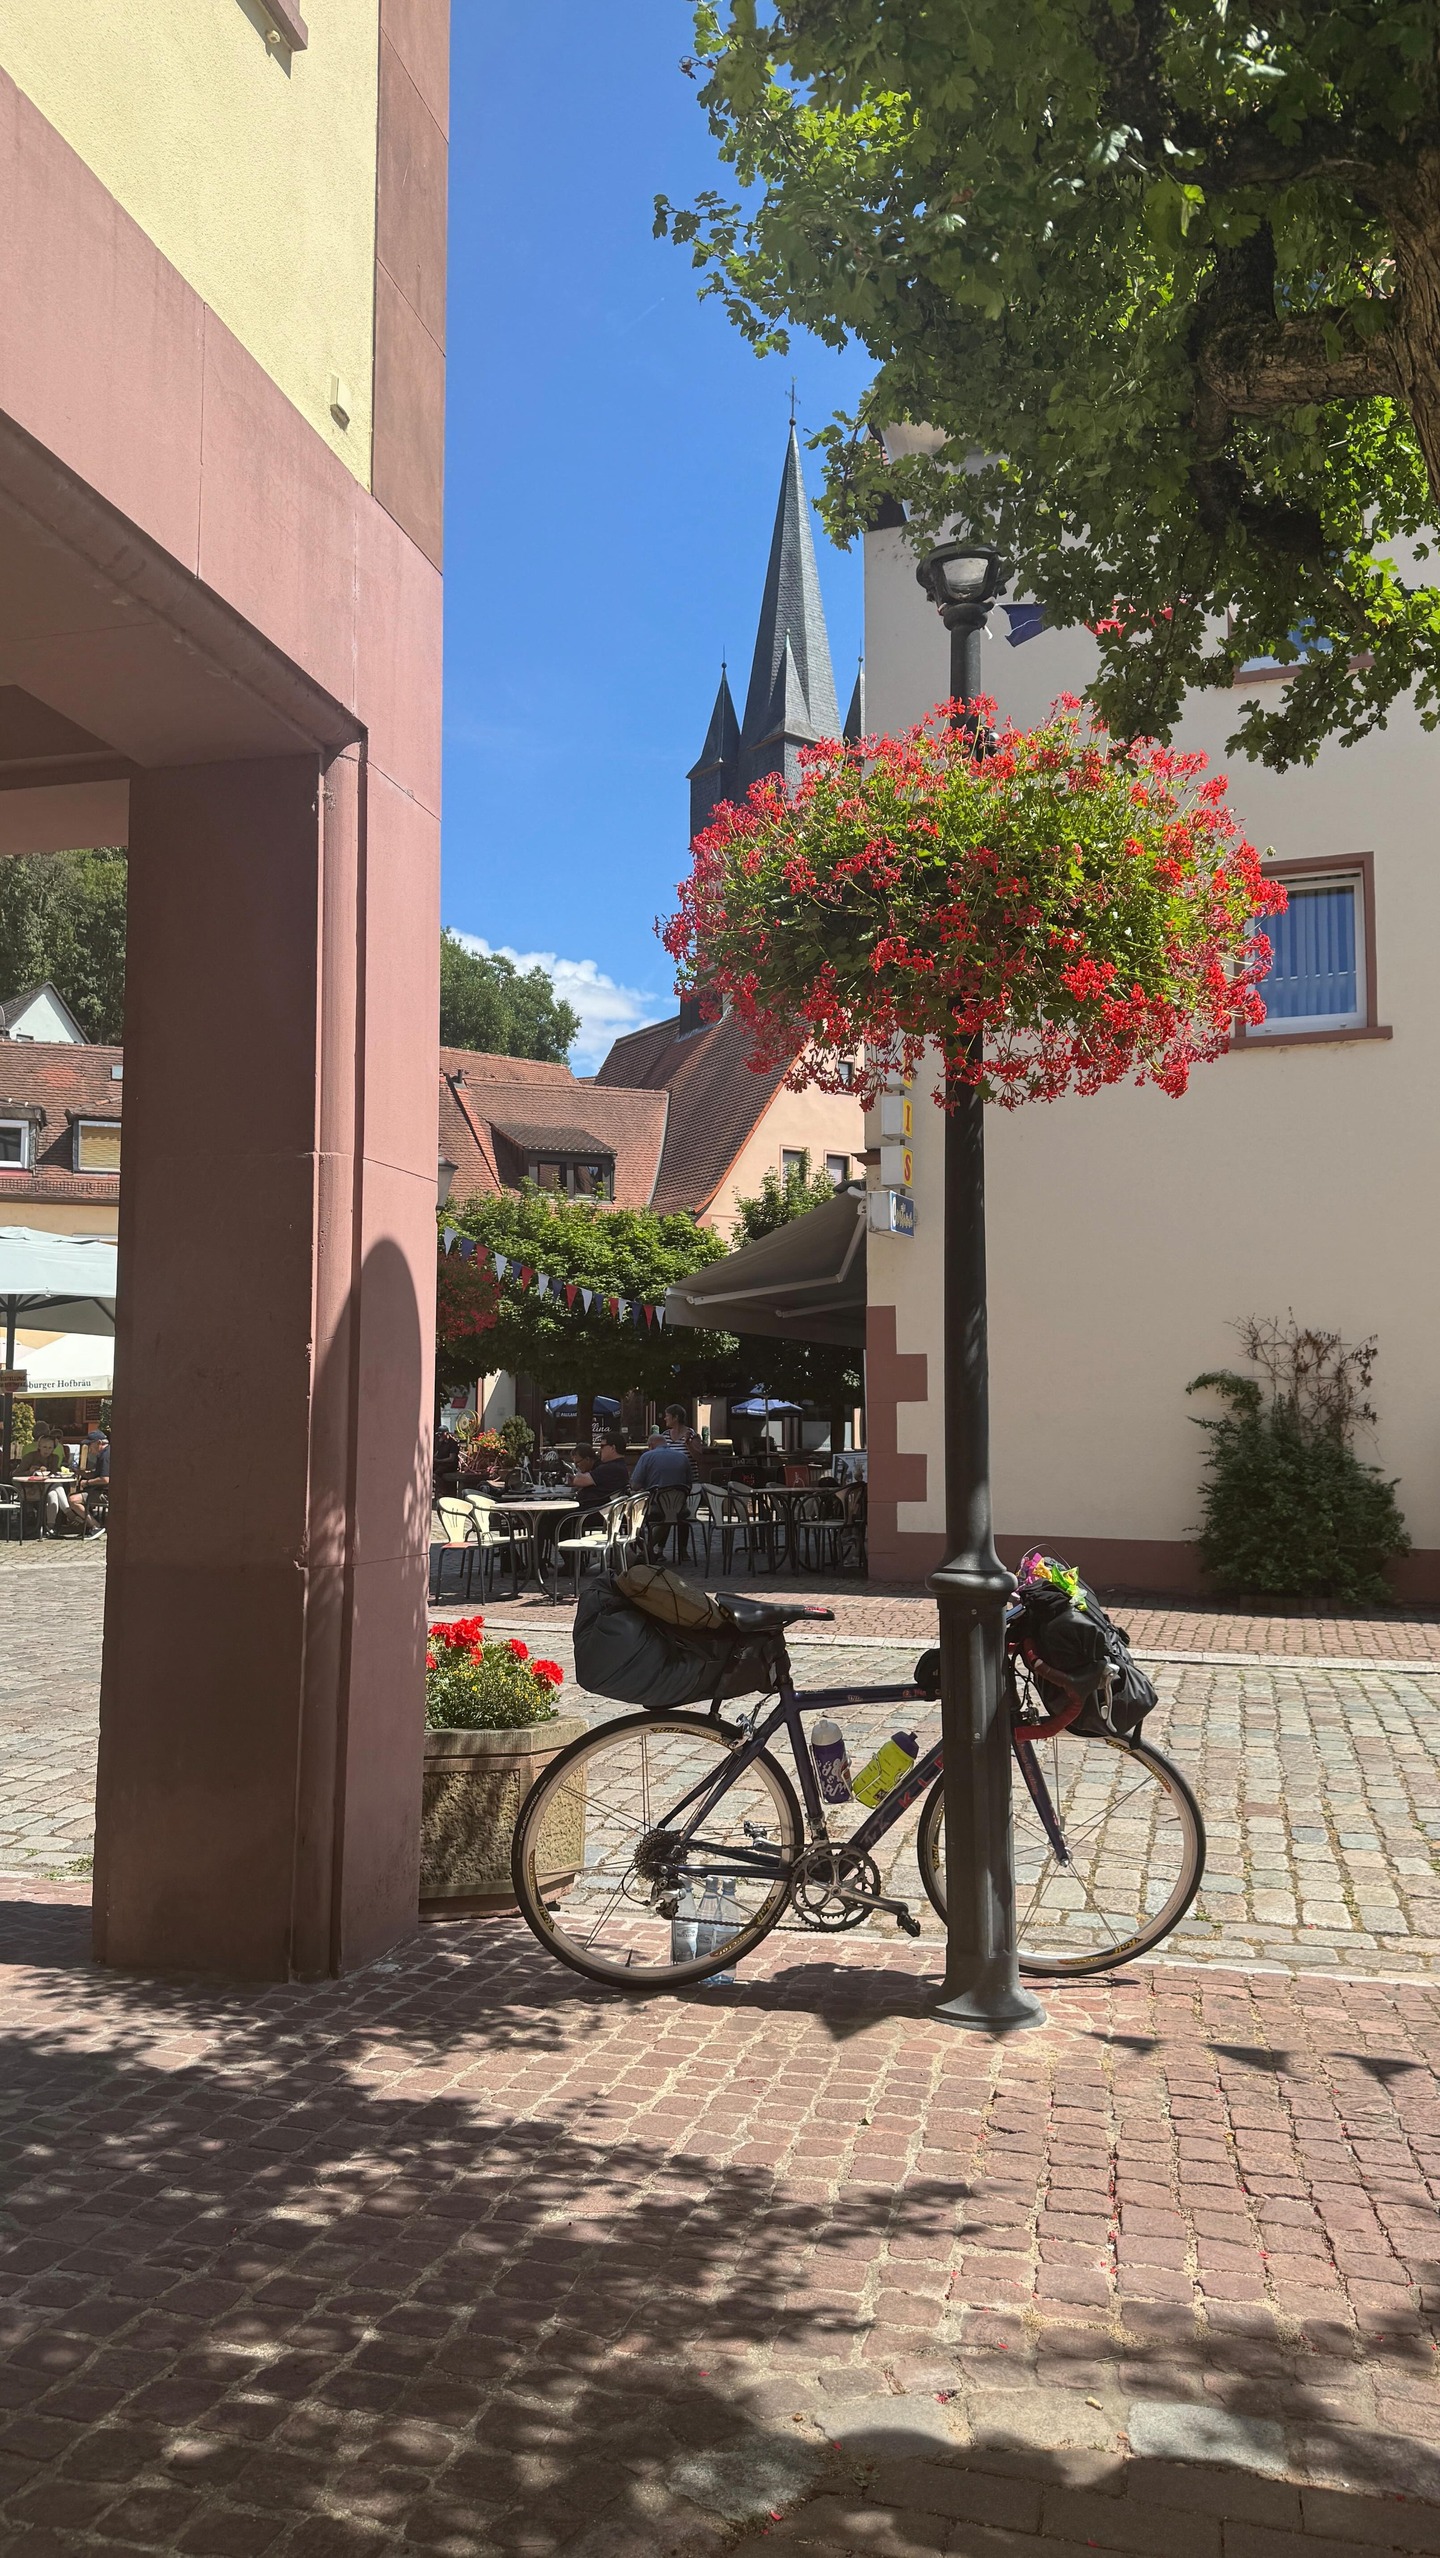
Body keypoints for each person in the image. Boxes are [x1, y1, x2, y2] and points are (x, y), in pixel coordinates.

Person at [662, 1403, 707, 1470]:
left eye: (667, 1416)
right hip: (670, 1476)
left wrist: (688, 1443)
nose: (665, 1419)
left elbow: (699, 1458)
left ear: (675, 1417)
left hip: (688, 1475)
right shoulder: (665, 1435)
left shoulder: (692, 1434)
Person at [590, 1435, 631, 1501]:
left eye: (602, 1446)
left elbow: (580, 1481)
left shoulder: (610, 1468)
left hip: (592, 1506)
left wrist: (573, 1479)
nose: (600, 1450)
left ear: (612, 1448)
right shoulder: (620, 1466)